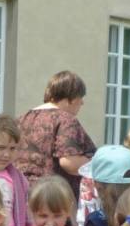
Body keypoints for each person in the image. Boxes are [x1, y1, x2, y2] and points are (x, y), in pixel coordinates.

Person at [15, 71, 96, 199]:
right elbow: (69, 162)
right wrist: (97, 162)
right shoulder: (66, 120)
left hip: (21, 193)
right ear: (71, 99)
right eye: (80, 97)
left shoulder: (21, 119)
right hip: (53, 197)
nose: (82, 103)